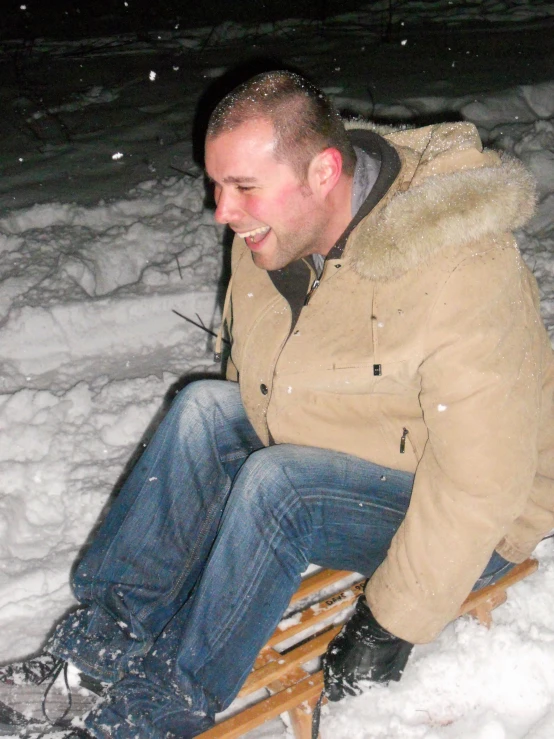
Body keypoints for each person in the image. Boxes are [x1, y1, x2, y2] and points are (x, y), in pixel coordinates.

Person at [1, 69, 554, 739]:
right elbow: (260, 384)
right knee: (206, 410)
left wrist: (393, 620)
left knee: (279, 487)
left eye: (243, 188)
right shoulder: (271, 235)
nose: (223, 212)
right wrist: (206, 524)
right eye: (217, 186)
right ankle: (93, 651)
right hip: (374, 442)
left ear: (323, 173)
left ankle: (154, 708)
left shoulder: (461, 268)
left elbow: (481, 484)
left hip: (484, 512)